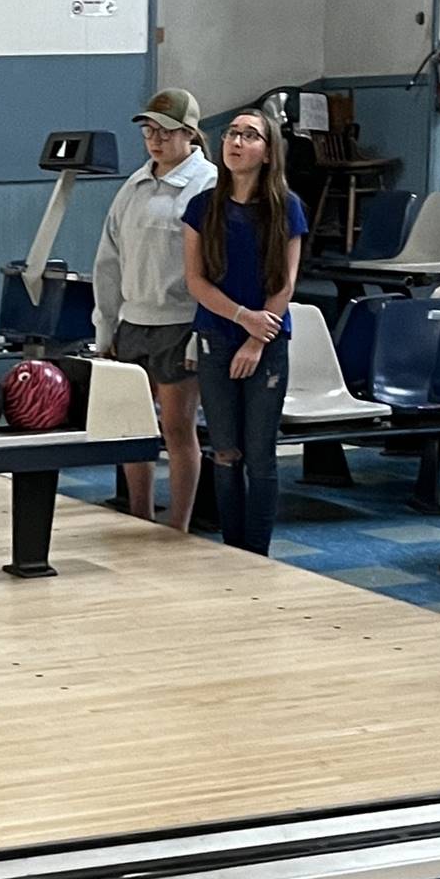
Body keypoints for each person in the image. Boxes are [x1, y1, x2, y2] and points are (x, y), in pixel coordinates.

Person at [182, 107, 308, 557]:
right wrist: (240, 318)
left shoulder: (286, 207)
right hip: (217, 335)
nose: (236, 142)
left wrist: (258, 337)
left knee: (261, 454)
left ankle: (257, 552)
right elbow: (196, 281)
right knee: (225, 450)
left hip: (268, 342)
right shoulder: (201, 207)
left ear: (268, 151)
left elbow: (285, 282)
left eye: (249, 135)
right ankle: (231, 549)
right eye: (231, 134)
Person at [92, 88, 217, 531]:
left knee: (177, 431)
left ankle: (178, 524)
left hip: (179, 325)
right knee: (132, 430)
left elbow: (214, 269)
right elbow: (108, 261)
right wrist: (106, 329)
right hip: (133, 323)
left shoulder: (208, 184)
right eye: (148, 131)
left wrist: (203, 332)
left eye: (164, 132)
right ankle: (139, 515)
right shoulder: (134, 185)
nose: (154, 140)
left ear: (189, 134)